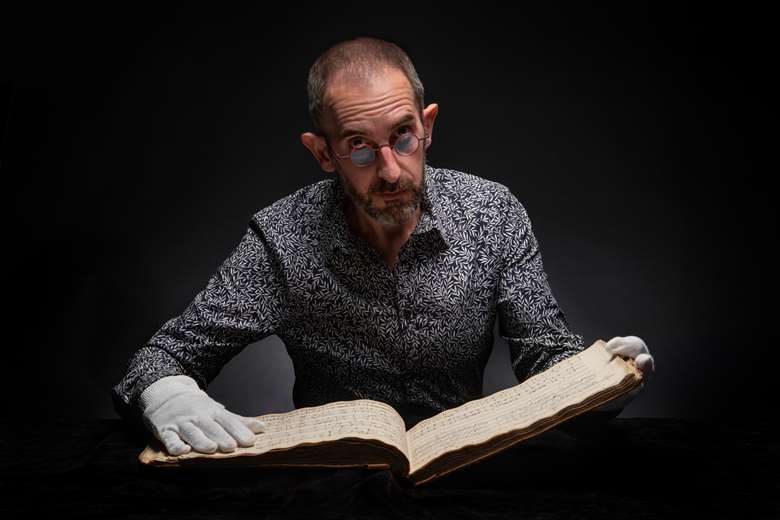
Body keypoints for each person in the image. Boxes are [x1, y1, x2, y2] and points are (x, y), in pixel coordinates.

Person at [111, 36, 655, 456]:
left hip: (465, 472)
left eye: (403, 136)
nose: (391, 170)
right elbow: (161, 358)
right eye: (360, 148)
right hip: (330, 482)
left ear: (428, 124)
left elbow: (543, 353)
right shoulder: (281, 238)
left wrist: (601, 382)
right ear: (323, 153)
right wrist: (165, 393)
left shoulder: (493, 213)